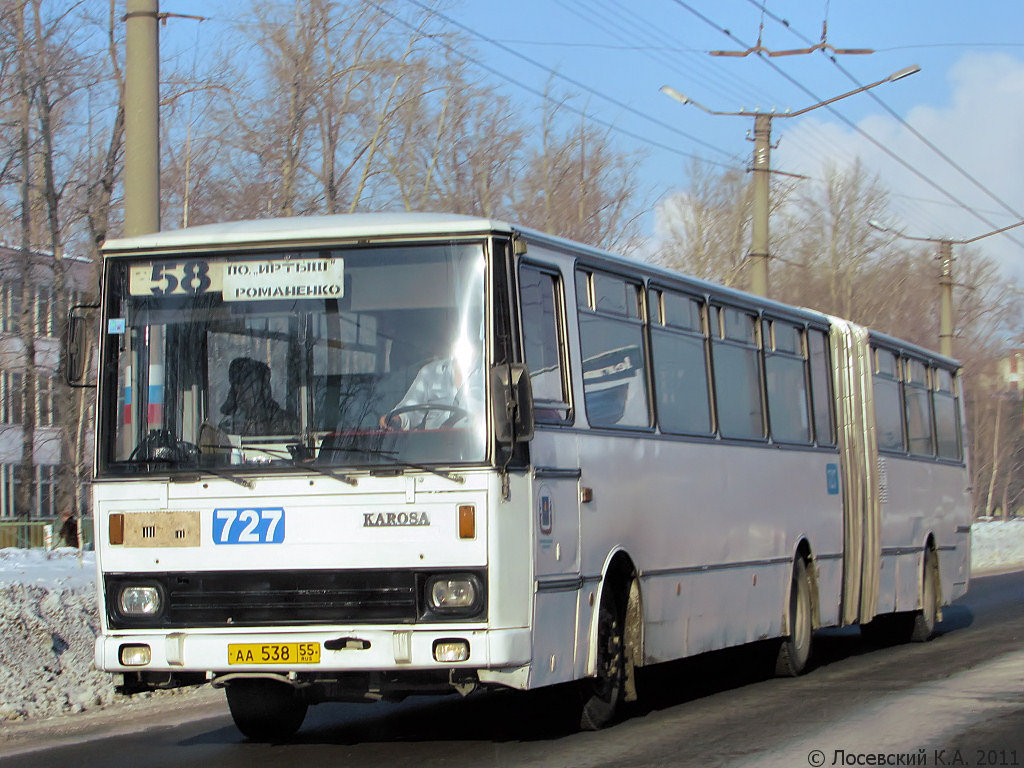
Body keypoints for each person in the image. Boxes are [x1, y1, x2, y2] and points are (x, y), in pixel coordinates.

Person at [380, 353, 483, 431]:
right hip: (432, 453)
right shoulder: (430, 372)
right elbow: (409, 411)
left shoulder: (489, 374)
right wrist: (396, 419)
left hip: (476, 452)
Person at [219, 357, 297, 436]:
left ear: (260, 388)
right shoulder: (229, 427)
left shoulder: (286, 423)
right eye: (236, 387)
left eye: (244, 386)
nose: (239, 393)